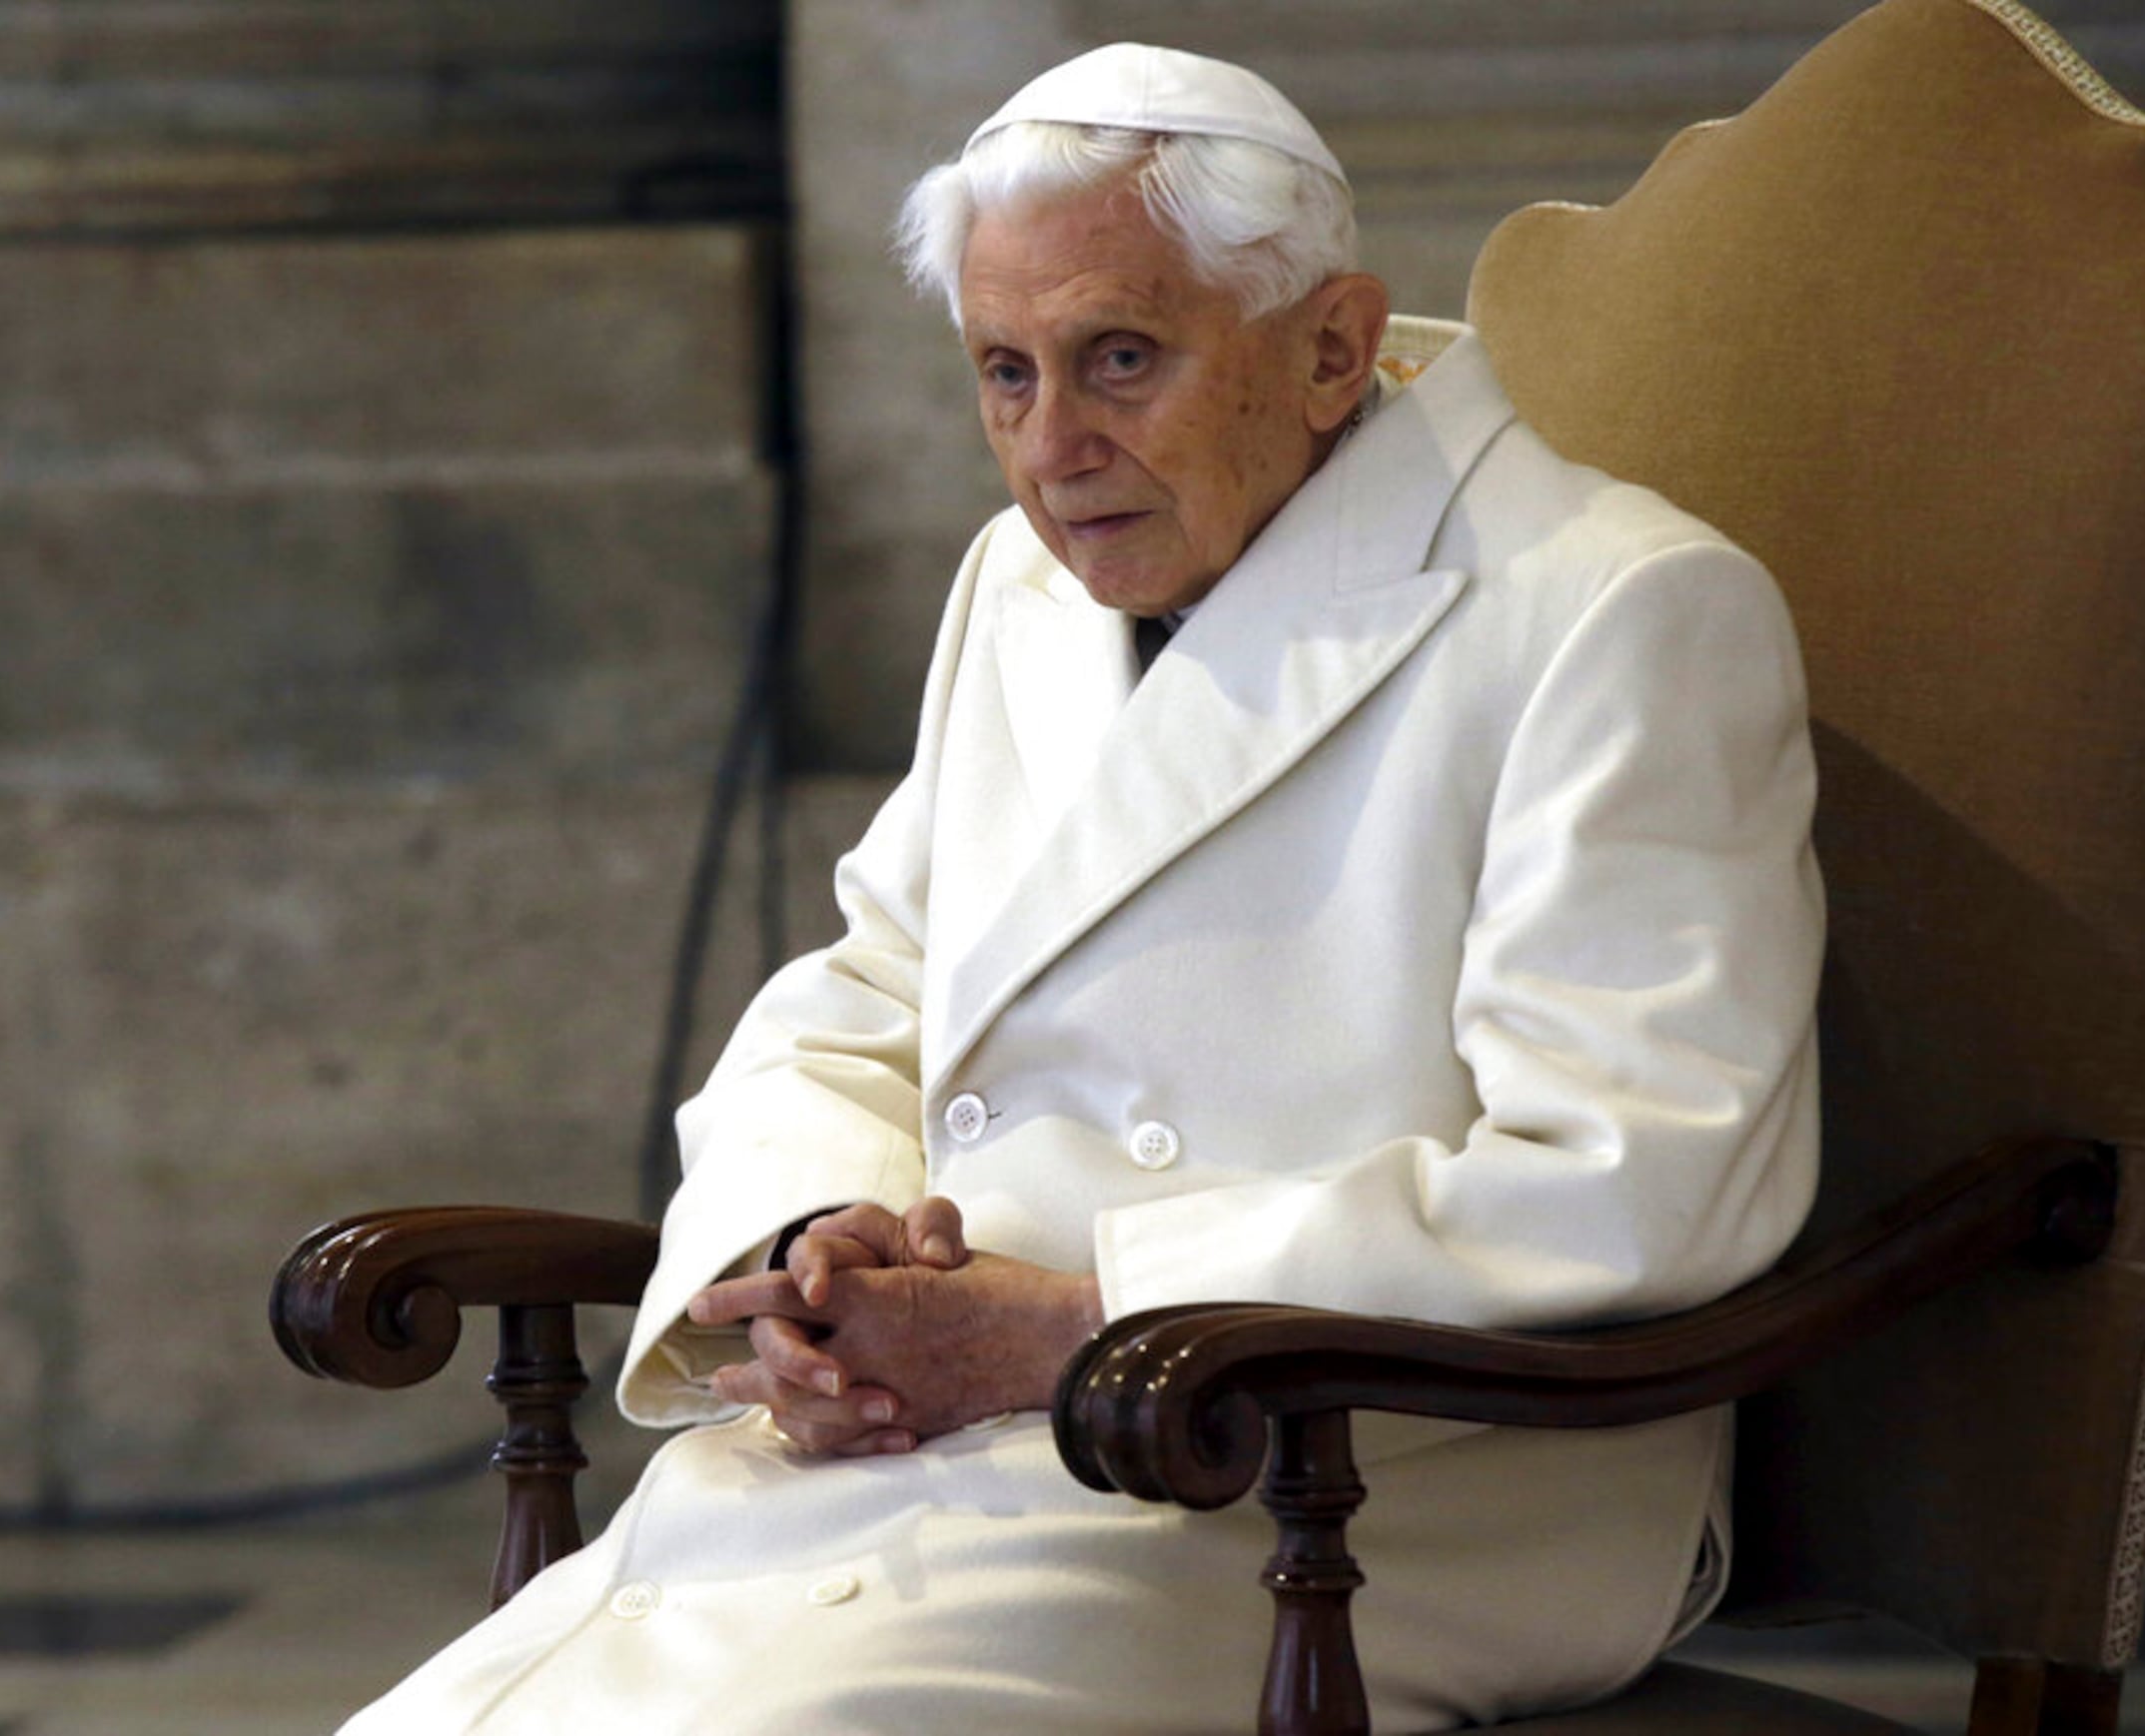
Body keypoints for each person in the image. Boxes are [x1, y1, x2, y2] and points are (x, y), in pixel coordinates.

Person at [342, 42, 1821, 1734]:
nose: (1055, 450)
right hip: (958, 1441)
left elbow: (1636, 1180)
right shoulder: (1023, 588)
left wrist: (1074, 1325)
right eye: (1003, 373)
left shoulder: (1611, 610)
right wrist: (810, 1255)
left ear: (1332, 345)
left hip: (1353, 1481)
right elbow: (873, 983)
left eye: (1121, 359)